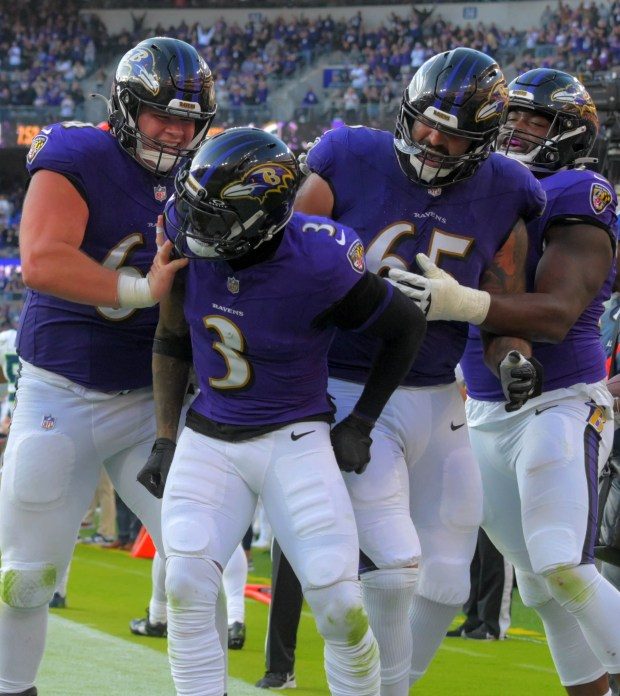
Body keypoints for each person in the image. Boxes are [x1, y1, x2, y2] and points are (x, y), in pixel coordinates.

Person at [269, 47, 545, 695]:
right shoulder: (348, 157)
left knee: (447, 580)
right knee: (393, 568)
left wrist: (513, 358)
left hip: (436, 393)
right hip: (345, 384)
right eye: (426, 123)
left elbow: (503, 304)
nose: (432, 139)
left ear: (483, 141)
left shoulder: (507, 191)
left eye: (451, 134)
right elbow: (284, 262)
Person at [137, 126, 426, 696]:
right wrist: (166, 436)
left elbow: (405, 327)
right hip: (209, 437)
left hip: (294, 436)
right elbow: (171, 337)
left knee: (339, 600)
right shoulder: (186, 230)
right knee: (187, 583)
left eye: (214, 218)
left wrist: (363, 420)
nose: (196, 230)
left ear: (262, 218)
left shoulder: (319, 256)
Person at [391, 68, 620, 695]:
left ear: (569, 136)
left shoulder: (578, 191)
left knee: (561, 566)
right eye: (513, 114)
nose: (518, 127)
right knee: (544, 590)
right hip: (484, 409)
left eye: (537, 120)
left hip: (561, 401)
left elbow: (556, 313)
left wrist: (461, 304)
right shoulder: (480, 187)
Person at [0, 36, 217, 696]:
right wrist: (138, 290)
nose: (177, 130)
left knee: (196, 564)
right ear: (125, 109)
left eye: (188, 118)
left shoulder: (201, 173)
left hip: (152, 401)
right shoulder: (79, 153)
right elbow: (40, 260)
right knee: (26, 576)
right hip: (60, 393)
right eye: (163, 114)